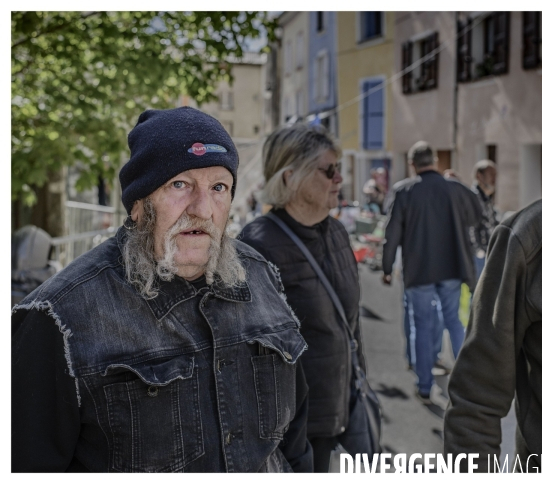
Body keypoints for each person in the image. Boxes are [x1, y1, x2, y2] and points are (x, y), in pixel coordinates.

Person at [12, 107, 313, 473]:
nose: (203, 209)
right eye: (180, 185)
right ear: (139, 204)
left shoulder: (261, 275)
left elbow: (294, 442)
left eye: (218, 187)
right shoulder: (58, 317)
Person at [444, 158, 542, 473]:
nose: (494, 180)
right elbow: (475, 401)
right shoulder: (534, 236)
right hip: (474, 261)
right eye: (490, 175)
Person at [239, 123, 367, 472]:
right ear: (291, 177)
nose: (338, 179)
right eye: (328, 170)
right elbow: (248, 358)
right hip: (293, 432)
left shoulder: (337, 232)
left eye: (337, 169)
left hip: (343, 408)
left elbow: (350, 326)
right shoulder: (257, 246)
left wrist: (359, 387)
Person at [381, 141, 480, 403]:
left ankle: (424, 385)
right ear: (434, 160)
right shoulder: (454, 189)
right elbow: (476, 213)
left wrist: (387, 267)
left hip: (419, 271)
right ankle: (466, 381)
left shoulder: (404, 191)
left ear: (413, 164)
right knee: (454, 322)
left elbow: (392, 233)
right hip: (451, 268)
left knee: (421, 327)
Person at [469, 159, 498, 281]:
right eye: (491, 175)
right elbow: (470, 226)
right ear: (479, 176)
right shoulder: (473, 197)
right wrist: (478, 251)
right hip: (479, 256)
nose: (494, 179)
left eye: (495, 175)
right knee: (478, 294)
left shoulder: (487, 198)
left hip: (489, 252)